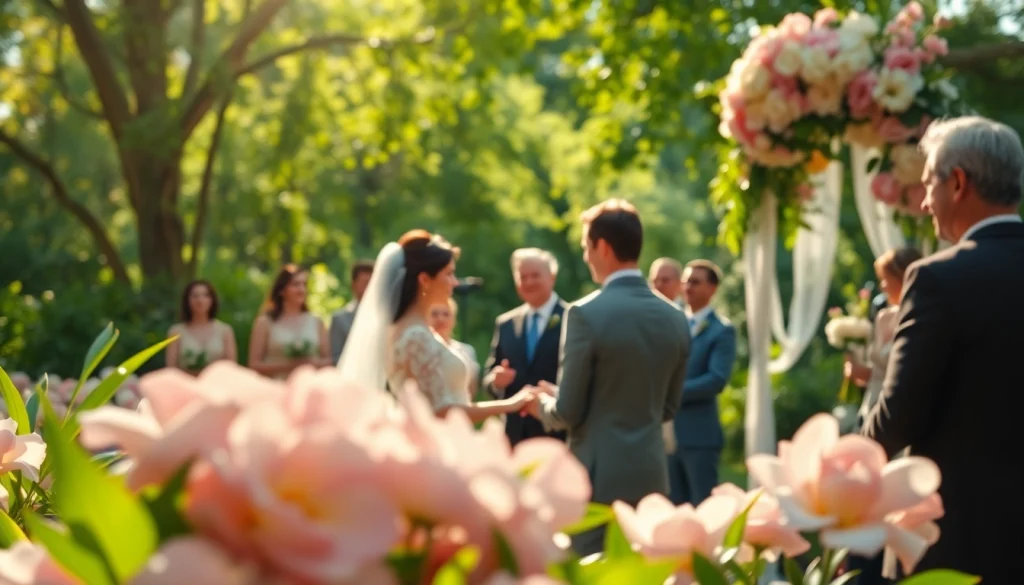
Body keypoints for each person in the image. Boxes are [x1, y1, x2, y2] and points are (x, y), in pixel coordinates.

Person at [862, 116, 1024, 581]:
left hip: (958, 539)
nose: (924, 201)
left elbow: (898, 418)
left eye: (929, 183)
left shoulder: (938, 279)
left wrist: (840, 463)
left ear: (957, 182)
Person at [522, 199, 690, 556]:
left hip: (596, 481)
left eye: (587, 246)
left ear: (603, 247)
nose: (586, 256)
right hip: (651, 474)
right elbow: (667, 407)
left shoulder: (585, 314)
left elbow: (567, 412)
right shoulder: (676, 318)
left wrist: (542, 404)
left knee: (592, 570)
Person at [337, 230, 533, 422]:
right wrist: (511, 405)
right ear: (424, 280)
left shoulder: (414, 329)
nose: (454, 282)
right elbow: (442, 411)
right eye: (449, 274)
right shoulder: (415, 336)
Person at [843, 248, 921, 585]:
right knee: (864, 498)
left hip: (898, 419)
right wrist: (857, 373)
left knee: (891, 500)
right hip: (870, 412)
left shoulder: (923, 314)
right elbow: (877, 373)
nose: (882, 285)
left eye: (886, 278)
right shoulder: (883, 317)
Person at [667, 259, 737, 506]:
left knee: (703, 507)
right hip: (666, 435)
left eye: (695, 282)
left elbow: (716, 379)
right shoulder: (672, 323)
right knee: (672, 510)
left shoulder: (722, 330)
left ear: (712, 288)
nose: (688, 287)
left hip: (699, 436)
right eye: (686, 281)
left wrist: (671, 392)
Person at [483, 248, 568, 446]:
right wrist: (496, 381)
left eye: (535, 275)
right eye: (523, 277)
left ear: (552, 277)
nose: (528, 282)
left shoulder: (573, 318)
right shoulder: (505, 324)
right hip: (514, 437)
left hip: (557, 435)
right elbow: (488, 378)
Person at [248, 265, 332, 379]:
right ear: (281, 290)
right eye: (295, 284)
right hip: (275, 385)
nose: (301, 290)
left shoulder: (316, 321)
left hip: (309, 385)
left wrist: (311, 363)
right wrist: (290, 366)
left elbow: (328, 361)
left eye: (304, 284)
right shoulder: (264, 322)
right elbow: (254, 365)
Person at [165, 280, 237, 374]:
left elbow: (232, 367)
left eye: (205, 295)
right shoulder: (176, 332)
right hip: (185, 381)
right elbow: (171, 369)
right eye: (195, 296)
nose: (200, 300)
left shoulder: (225, 330)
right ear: (187, 300)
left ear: (212, 300)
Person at [428, 298, 480, 397]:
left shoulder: (467, 351)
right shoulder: (420, 348)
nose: (440, 319)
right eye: (434, 314)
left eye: (446, 314)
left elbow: (472, 390)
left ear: (454, 320)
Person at [329, 260, 374, 364]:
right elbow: (335, 357)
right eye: (366, 283)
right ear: (354, 285)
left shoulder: (387, 316)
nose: (371, 288)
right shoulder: (340, 319)